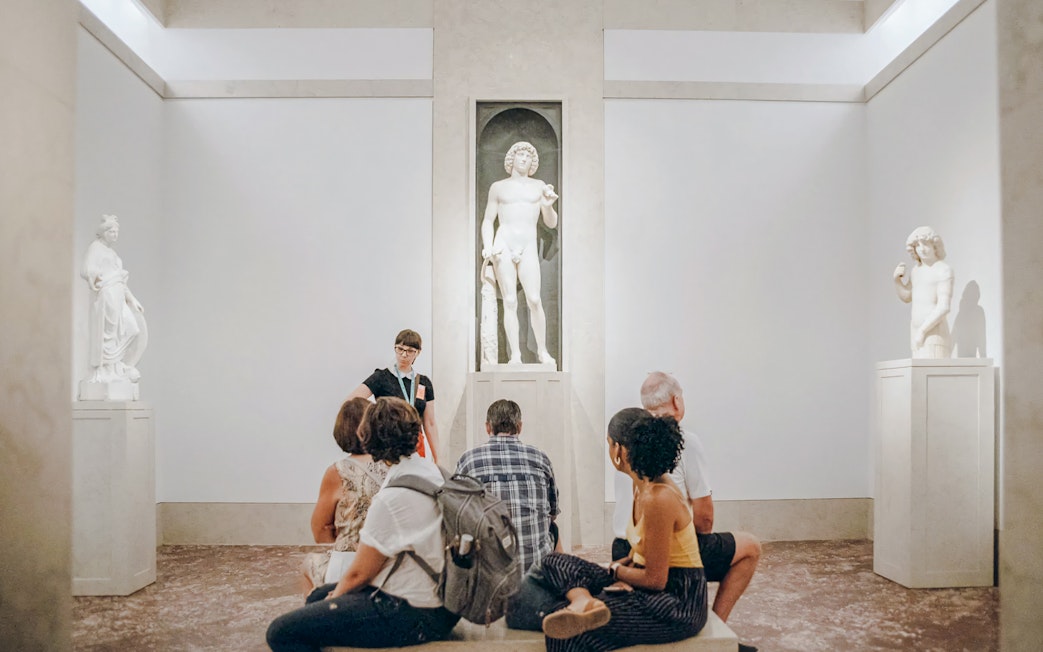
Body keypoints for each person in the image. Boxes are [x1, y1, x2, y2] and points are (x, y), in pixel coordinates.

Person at [267, 397, 459, 651]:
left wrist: (334, 599)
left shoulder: (391, 498)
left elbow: (360, 573)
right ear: (415, 434)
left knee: (282, 631)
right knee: (316, 596)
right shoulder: (432, 472)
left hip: (411, 612)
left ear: (372, 443)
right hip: (442, 605)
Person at [532, 409, 707, 651]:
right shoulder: (641, 487)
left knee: (567, 634)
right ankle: (583, 603)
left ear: (618, 450)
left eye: (609, 444)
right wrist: (619, 568)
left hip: (676, 602)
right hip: (649, 582)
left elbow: (656, 580)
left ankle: (586, 608)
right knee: (555, 561)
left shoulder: (659, 497)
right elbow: (642, 554)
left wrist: (615, 570)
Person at [613, 372, 760, 651]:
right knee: (750, 547)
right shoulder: (683, 440)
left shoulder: (629, 441)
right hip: (658, 556)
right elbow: (705, 519)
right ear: (676, 401)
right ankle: (717, 635)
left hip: (621, 545)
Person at [456, 399, 560, 573]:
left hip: (489, 570)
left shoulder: (468, 461)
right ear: (519, 427)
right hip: (534, 569)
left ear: (488, 427)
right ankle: (557, 581)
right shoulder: (540, 458)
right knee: (552, 529)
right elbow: (553, 512)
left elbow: (458, 514)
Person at [481, 141, 558, 365]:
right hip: (503, 244)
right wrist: (488, 246)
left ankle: (542, 351)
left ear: (532, 163)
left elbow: (550, 223)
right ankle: (515, 354)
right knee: (510, 300)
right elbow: (488, 220)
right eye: (520, 155)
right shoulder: (498, 187)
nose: (523, 159)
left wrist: (549, 205)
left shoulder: (539, 186)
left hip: (528, 245)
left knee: (534, 299)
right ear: (511, 159)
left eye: (528, 156)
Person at [301, 398, 388, 590]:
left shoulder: (338, 472)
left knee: (309, 565)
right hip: (390, 561)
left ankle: (320, 614)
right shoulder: (393, 465)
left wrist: (346, 545)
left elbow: (320, 530)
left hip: (350, 564)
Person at [347, 329, 441, 464]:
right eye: (400, 349)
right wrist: (373, 420)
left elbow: (430, 423)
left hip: (415, 443)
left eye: (410, 351)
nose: (404, 354)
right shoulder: (381, 377)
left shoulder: (424, 383)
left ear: (418, 353)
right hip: (388, 443)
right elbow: (351, 401)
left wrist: (437, 458)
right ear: (395, 348)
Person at [80, 214, 147, 387]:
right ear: (103, 232)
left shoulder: (113, 253)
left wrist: (132, 300)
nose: (115, 234)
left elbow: (122, 281)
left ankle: (116, 367)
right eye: (111, 231)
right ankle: (107, 369)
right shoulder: (95, 248)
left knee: (131, 329)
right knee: (108, 335)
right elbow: (86, 269)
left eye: (117, 232)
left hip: (118, 293)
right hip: (107, 294)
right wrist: (93, 276)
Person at [893, 226, 954, 358]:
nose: (922, 249)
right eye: (917, 246)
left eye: (925, 244)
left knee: (934, 374)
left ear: (935, 245)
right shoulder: (916, 271)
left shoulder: (943, 270)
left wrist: (922, 330)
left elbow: (944, 307)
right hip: (915, 333)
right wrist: (897, 281)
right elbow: (907, 297)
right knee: (918, 376)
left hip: (934, 334)